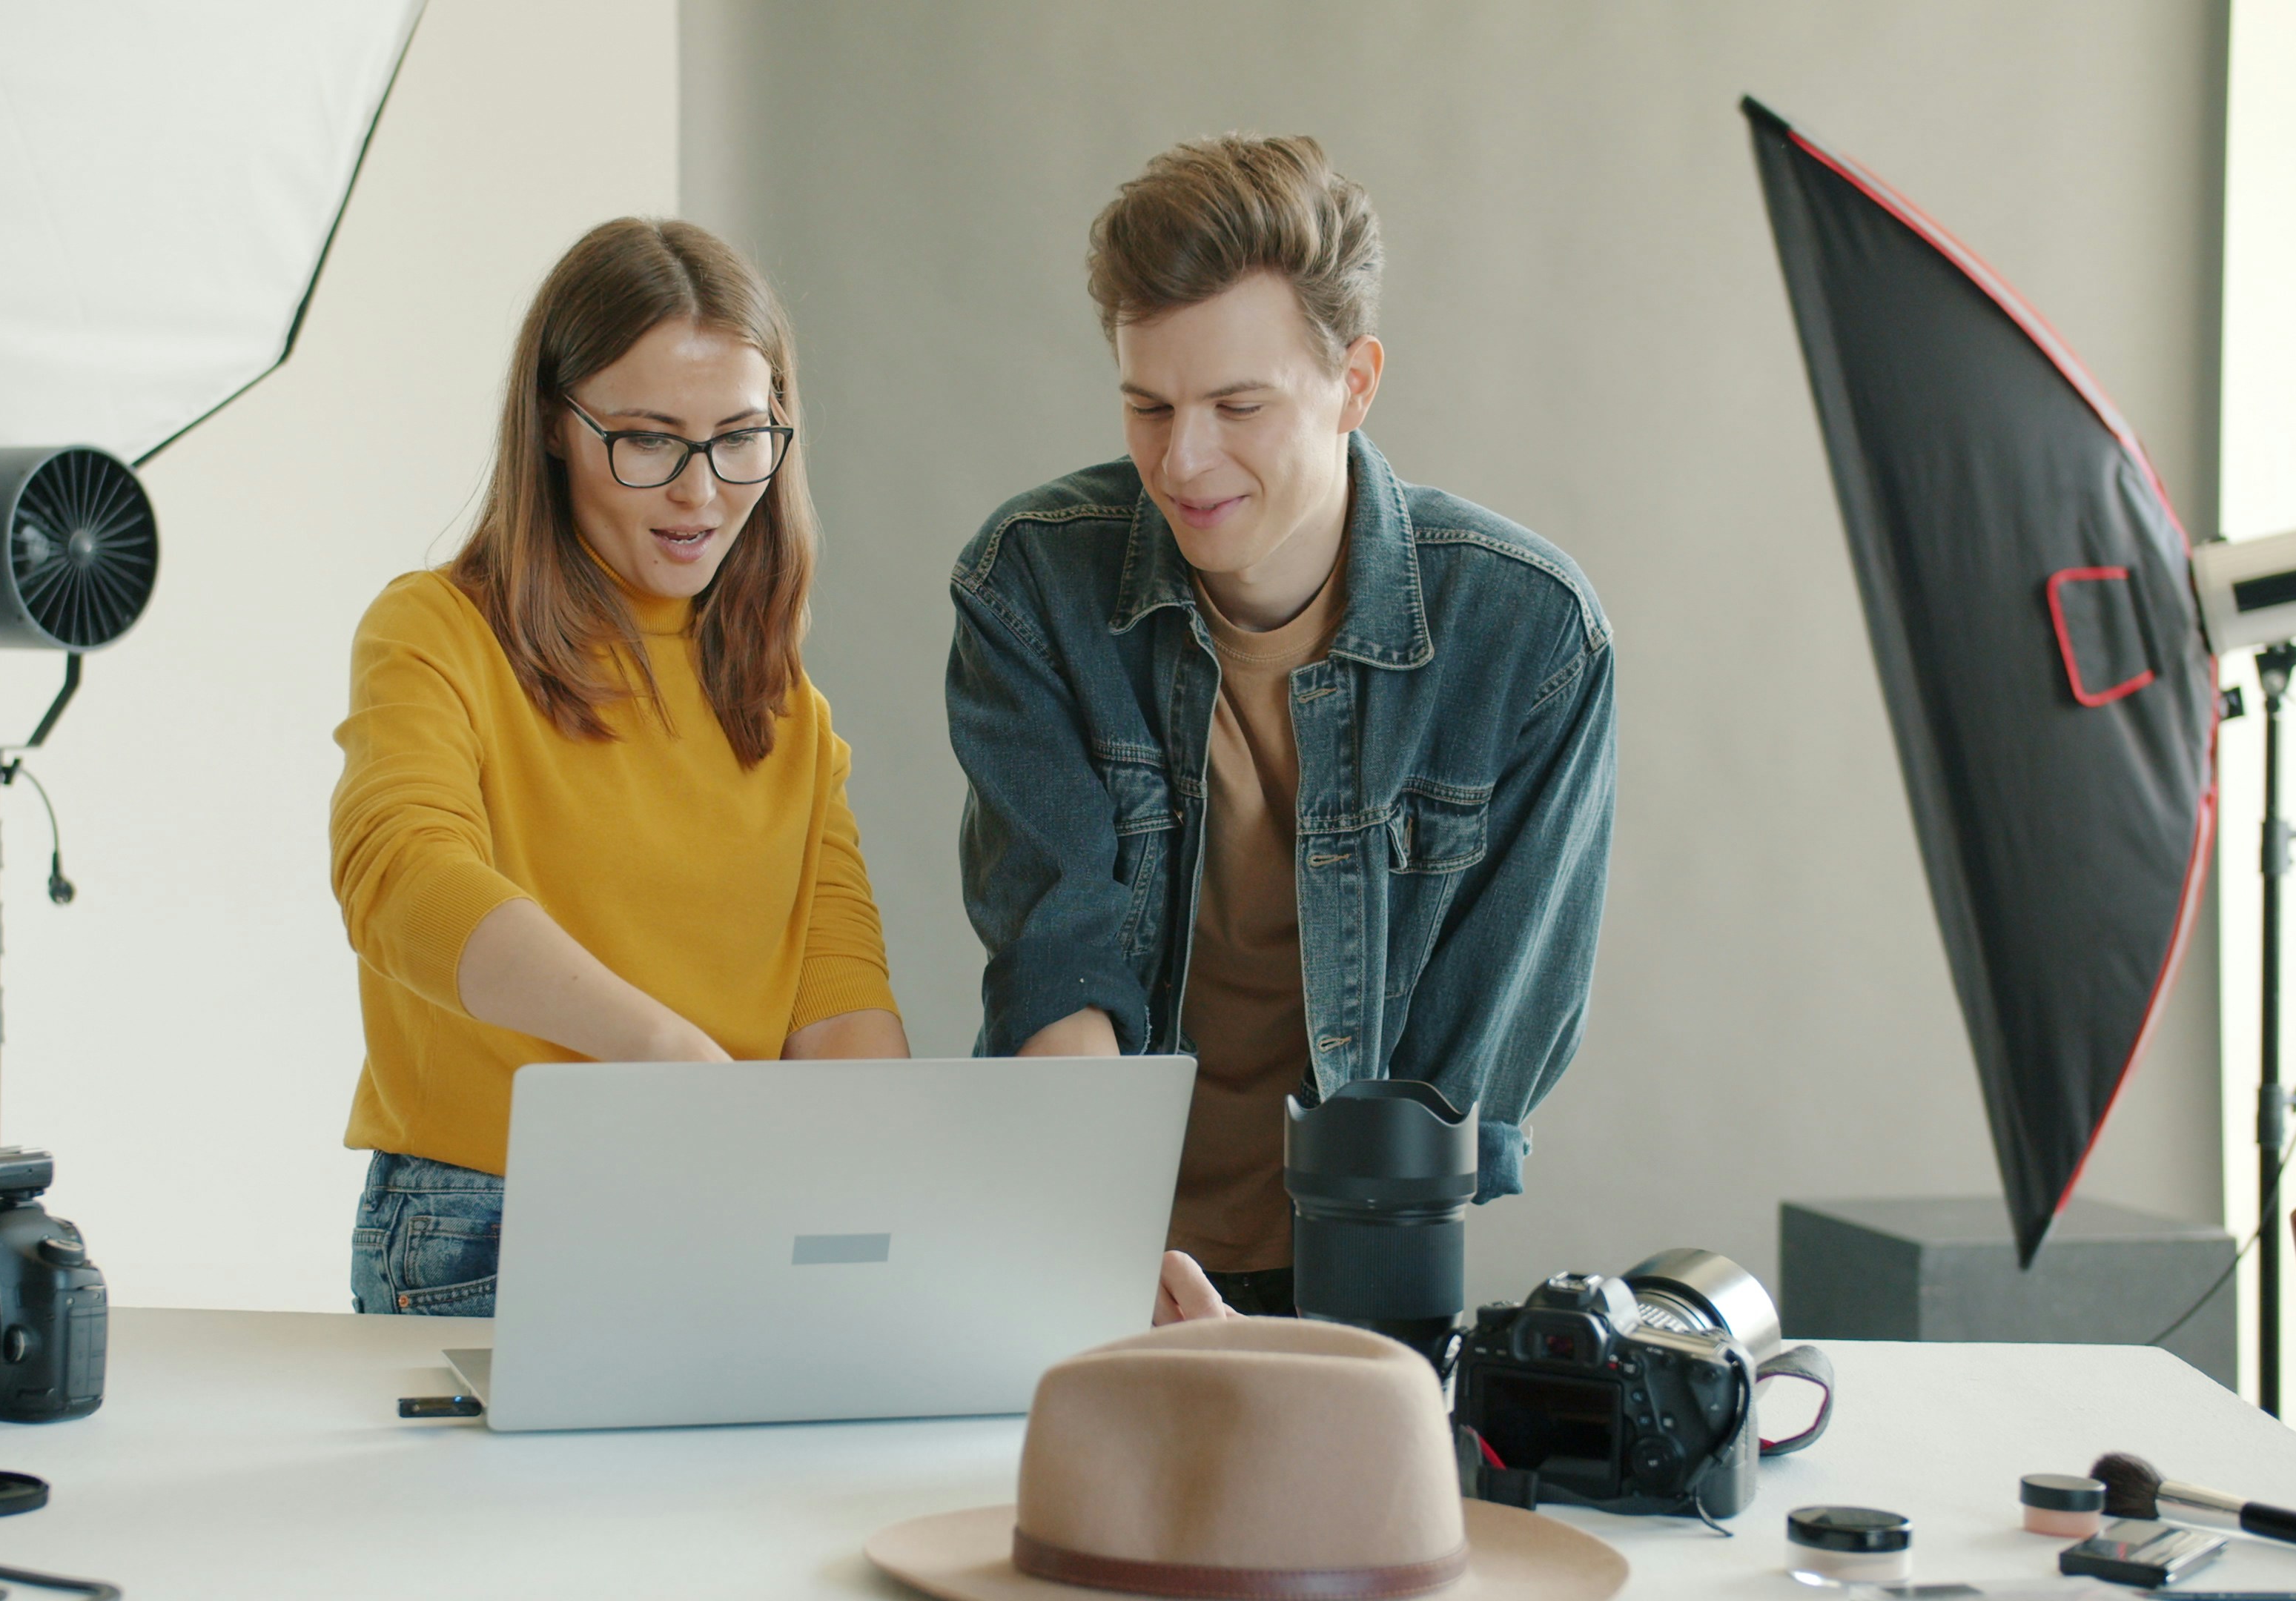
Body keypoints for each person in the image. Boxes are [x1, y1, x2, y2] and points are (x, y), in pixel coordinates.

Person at [947, 135, 1616, 1320]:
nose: (1182, 459)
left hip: (1370, 1255)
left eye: (1237, 406)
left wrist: (1339, 1319)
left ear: (1355, 381)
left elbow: (1472, 1061)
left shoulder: (1530, 638)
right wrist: (1109, 1258)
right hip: (1092, 1241)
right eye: (1148, 406)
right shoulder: (1031, 587)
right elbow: (1057, 956)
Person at [331, 217, 907, 1318]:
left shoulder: (785, 707)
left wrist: (892, 1189)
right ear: (555, 426)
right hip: (495, 1217)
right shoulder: (437, 632)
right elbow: (401, 877)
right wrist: (666, 1057)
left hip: (730, 1208)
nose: (700, 491)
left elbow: (836, 996)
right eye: (647, 441)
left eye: (740, 437)